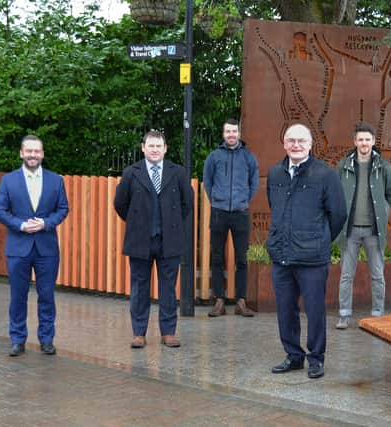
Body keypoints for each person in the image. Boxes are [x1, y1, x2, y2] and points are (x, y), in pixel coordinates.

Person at [266, 123, 347, 379]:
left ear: (311, 145)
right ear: (284, 144)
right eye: (291, 140)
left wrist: (321, 239)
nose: (296, 145)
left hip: (312, 258)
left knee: (314, 310)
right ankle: (293, 356)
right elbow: (274, 207)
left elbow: (338, 214)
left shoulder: (325, 175)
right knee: (285, 309)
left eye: (301, 141)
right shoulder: (275, 173)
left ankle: (316, 358)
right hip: (282, 255)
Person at [114, 130, 193, 349]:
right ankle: (139, 332)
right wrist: (136, 222)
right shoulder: (132, 173)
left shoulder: (177, 173)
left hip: (170, 239)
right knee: (139, 287)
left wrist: (171, 222)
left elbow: (188, 203)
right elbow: (120, 203)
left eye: (159, 146)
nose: (155, 149)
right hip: (140, 239)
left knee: (168, 288)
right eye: (151, 146)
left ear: (165, 148)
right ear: (143, 148)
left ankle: (168, 332)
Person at [0, 135, 69, 357]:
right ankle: (17, 340)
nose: (33, 155)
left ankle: (46, 340)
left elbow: (63, 209)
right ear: (21, 153)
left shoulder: (56, 180)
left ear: (43, 154)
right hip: (18, 248)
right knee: (18, 296)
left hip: (47, 249)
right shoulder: (9, 180)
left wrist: (46, 223)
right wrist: (21, 225)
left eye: (37, 151)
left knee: (47, 295)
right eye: (29, 151)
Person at [335, 123, 391, 329]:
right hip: (350, 230)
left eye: (367, 139)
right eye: (360, 139)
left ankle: (378, 315)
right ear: (355, 142)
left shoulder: (383, 166)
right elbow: (335, 193)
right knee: (346, 274)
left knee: (377, 274)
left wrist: (383, 212)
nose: (364, 143)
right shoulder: (344, 165)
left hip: (373, 231)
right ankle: (344, 315)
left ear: (373, 142)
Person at [203, 119, 259, 317]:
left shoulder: (249, 157)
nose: (231, 135)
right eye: (228, 131)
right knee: (217, 257)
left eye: (234, 131)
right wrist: (216, 200)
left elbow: (254, 182)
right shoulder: (214, 157)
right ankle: (219, 301)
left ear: (239, 133)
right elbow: (207, 182)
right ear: (223, 133)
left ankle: (240, 302)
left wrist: (244, 200)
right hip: (219, 212)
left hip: (240, 213)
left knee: (242, 258)